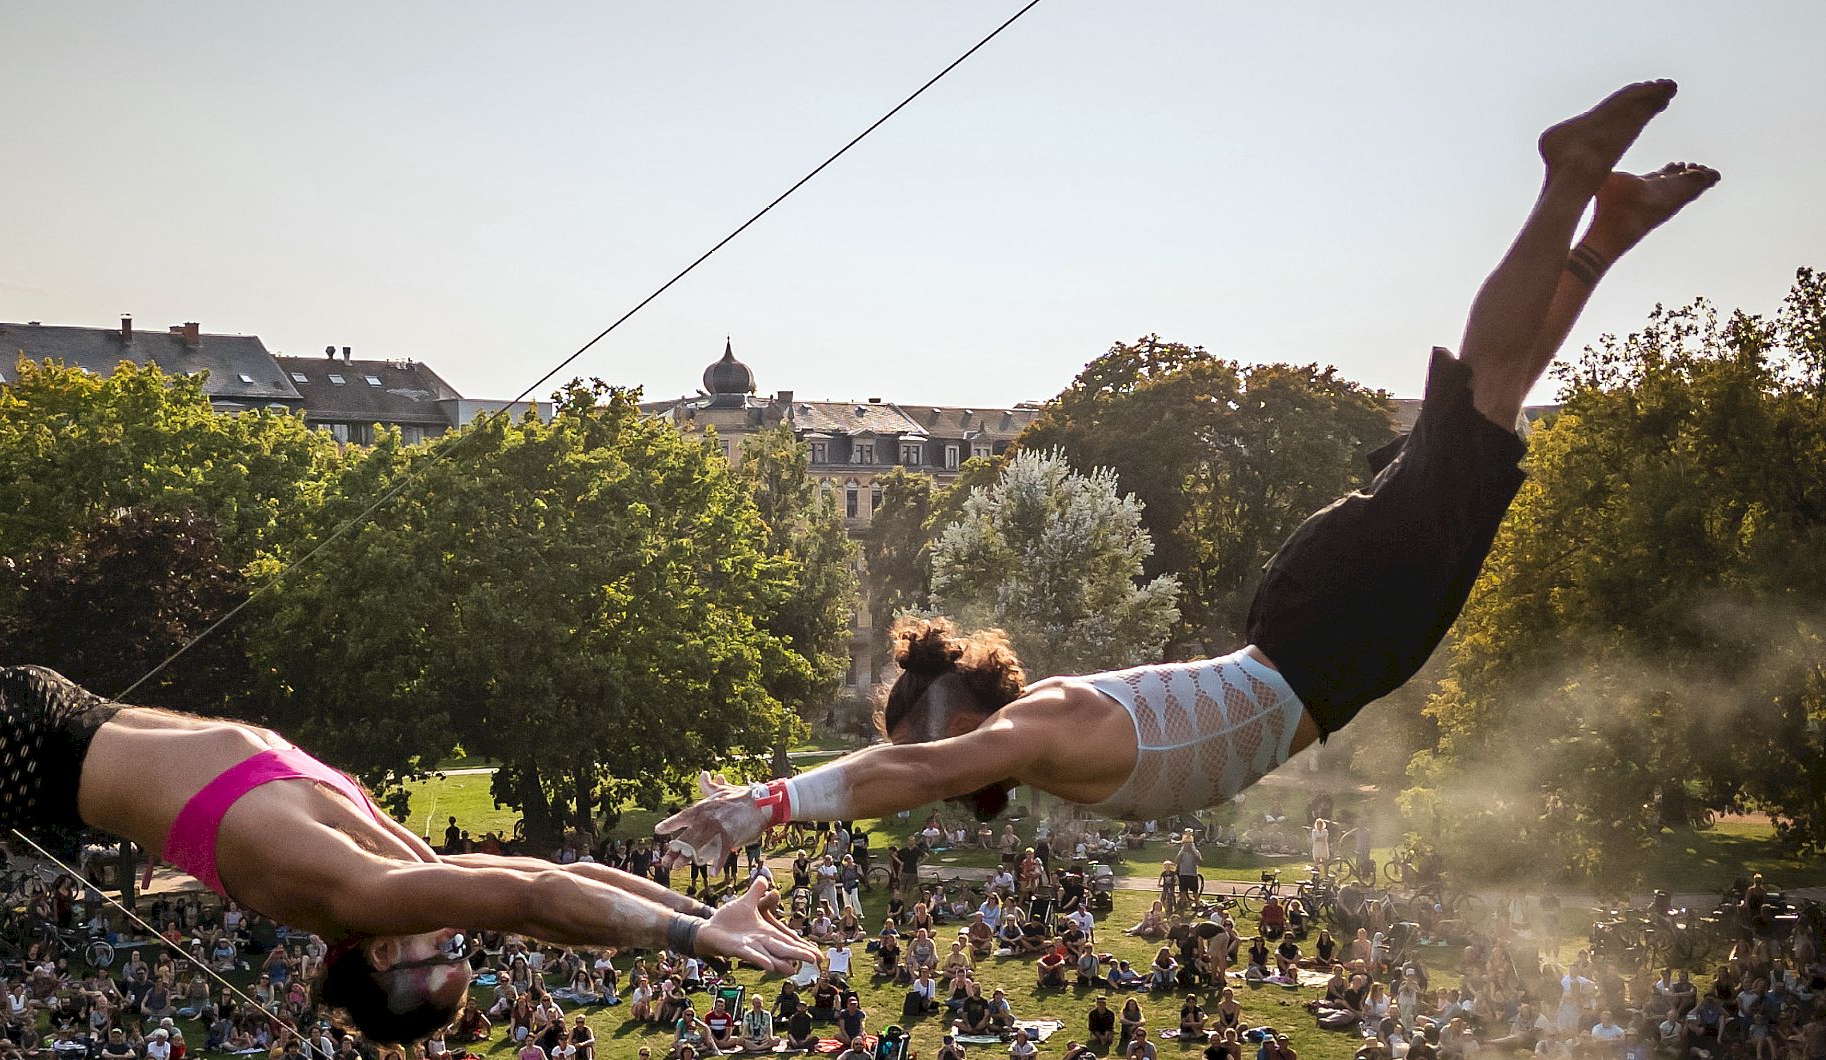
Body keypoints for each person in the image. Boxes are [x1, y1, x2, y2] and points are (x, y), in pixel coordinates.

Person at [660, 82, 1718, 855]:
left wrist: (766, 804)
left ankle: (1569, 180)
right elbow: (922, 768)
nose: (940, 789)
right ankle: (1603, 238)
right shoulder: (1043, 750)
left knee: (1477, 412)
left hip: (1322, 639)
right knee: (1486, 438)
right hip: (1327, 646)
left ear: (956, 722)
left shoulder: (1036, 729)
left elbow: (912, 769)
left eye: (932, 754)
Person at [0, 640, 817, 1036]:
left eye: (446, 955)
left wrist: (695, 936)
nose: (459, 927)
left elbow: (533, 891)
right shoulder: (399, 862)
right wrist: (684, 900)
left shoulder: (347, 882)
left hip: (28, 757)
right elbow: (563, 873)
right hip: (64, 706)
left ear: (373, 954)